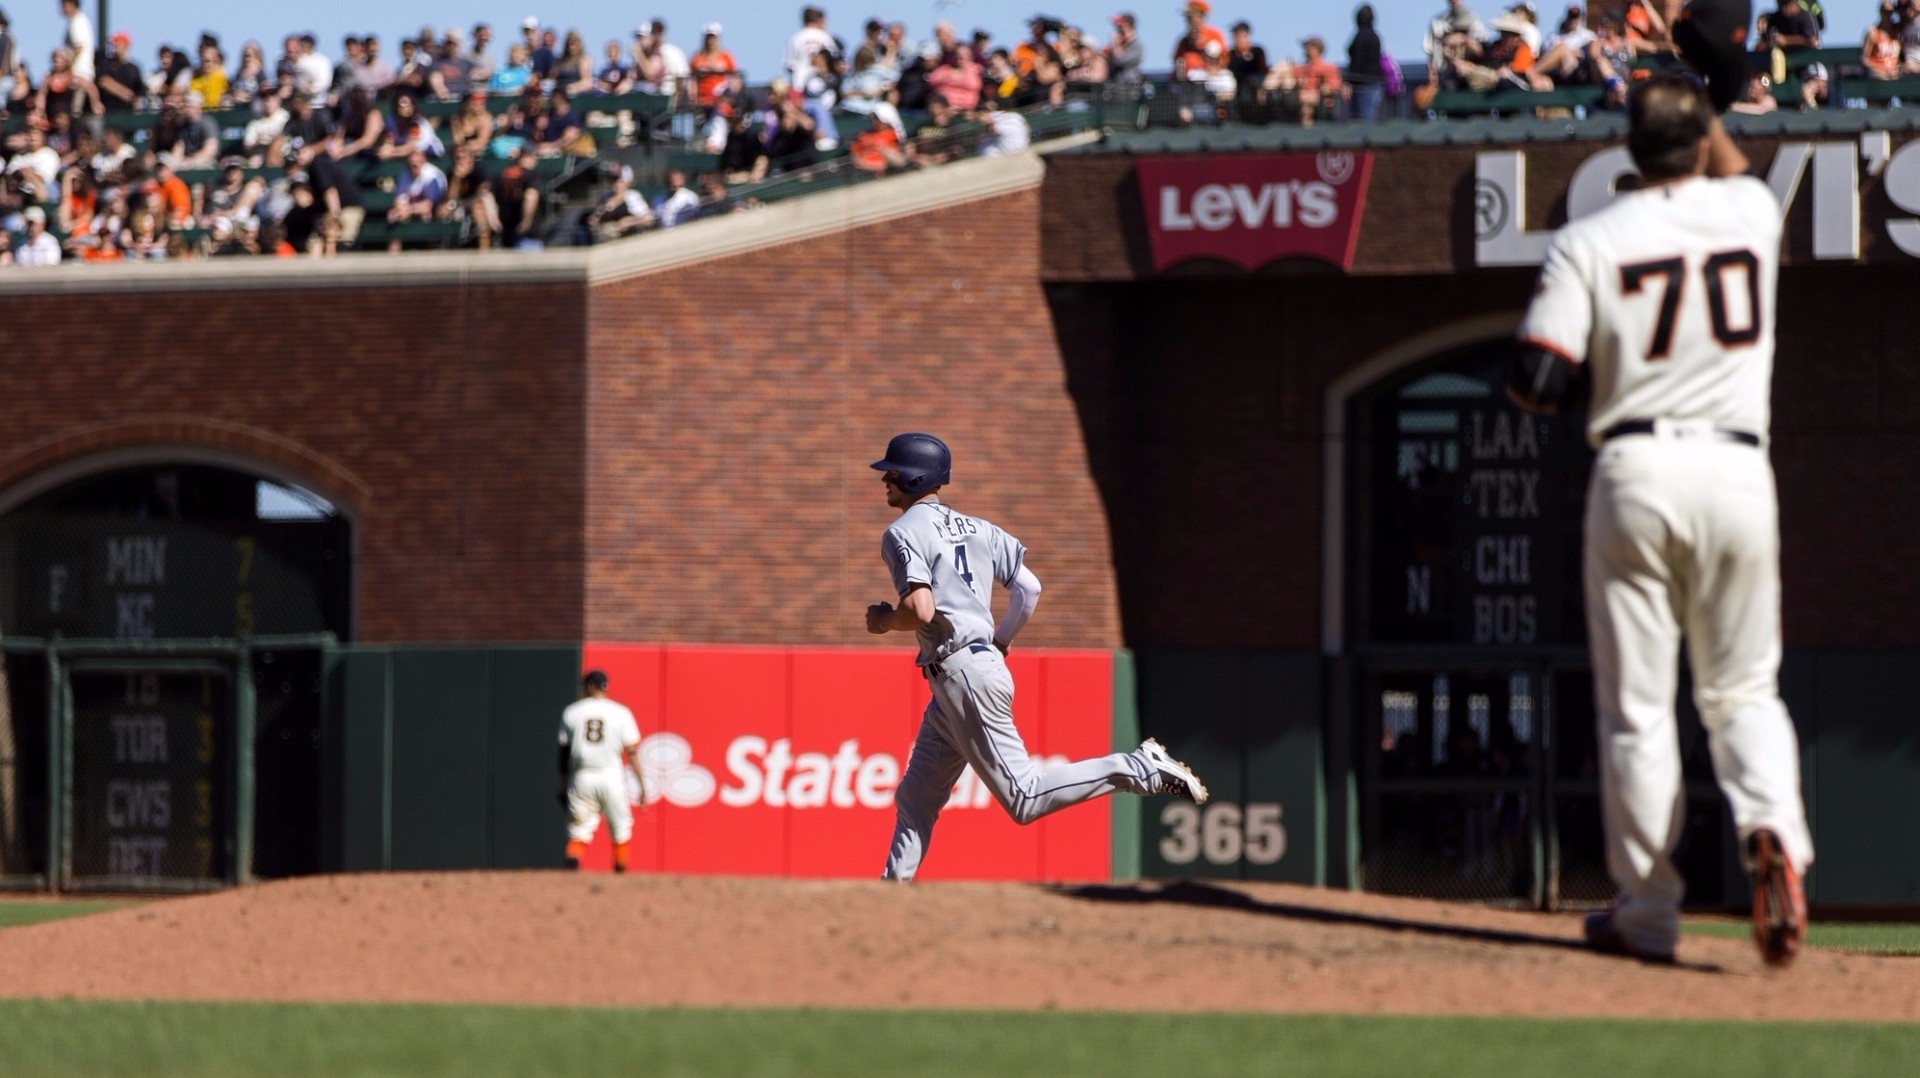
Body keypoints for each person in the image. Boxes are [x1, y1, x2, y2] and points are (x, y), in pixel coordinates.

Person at [1507, 72, 1812, 967]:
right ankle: (1776, 834)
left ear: (1627, 150)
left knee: (1639, 709)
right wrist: (1703, 102)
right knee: (1744, 691)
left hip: (1636, 464)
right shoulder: (1751, 210)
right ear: (1706, 136)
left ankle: (1646, 912)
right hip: (1735, 464)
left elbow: (1537, 382)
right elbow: (1732, 160)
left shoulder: (1590, 238)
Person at [864, 433, 1208, 881]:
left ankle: (1138, 767)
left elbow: (920, 609)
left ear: (914, 477)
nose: (884, 479)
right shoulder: (981, 528)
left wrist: (884, 620)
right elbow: (1029, 589)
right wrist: (1001, 641)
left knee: (1024, 798)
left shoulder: (903, 532)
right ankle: (893, 890)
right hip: (968, 672)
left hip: (963, 674)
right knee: (917, 796)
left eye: (891, 472)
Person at [557, 669, 645, 873]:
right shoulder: (621, 712)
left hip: (582, 777)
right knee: (621, 830)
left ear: (589, 686)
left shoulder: (572, 711)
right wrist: (642, 786)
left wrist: (562, 786)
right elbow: (632, 752)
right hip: (612, 776)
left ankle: (572, 868)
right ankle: (620, 870)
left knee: (578, 832)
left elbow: (562, 756)